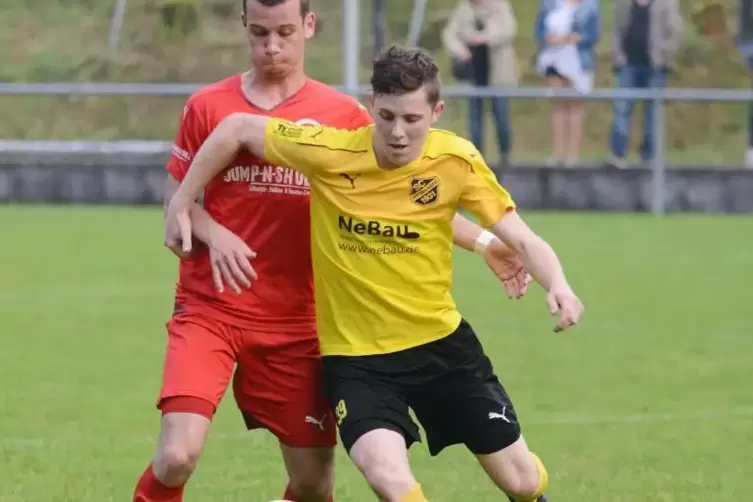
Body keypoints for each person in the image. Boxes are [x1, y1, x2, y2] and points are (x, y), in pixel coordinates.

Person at [135, 2, 532, 502]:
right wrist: (214, 233)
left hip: (301, 322)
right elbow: (178, 208)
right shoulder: (207, 106)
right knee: (177, 456)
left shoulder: (345, 118)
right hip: (212, 307)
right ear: (243, 28)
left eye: (283, 32)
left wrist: (487, 242)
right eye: (259, 33)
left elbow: (405, 206)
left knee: (313, 485)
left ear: (309, 26)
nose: (272, 46)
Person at [442, 0, 519, 169]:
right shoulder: (464, 8)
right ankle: (476, 156)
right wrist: (459, 49)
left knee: (500, 114)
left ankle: (505, 156)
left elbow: (509, 29)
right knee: (474, 118)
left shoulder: (500, 6)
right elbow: (450, 34)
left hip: (496, 71)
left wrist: (486, 37)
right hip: (474, 72)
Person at [607, 0, 683, 169]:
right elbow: (616, 31)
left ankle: (649, 156)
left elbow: (675, 31)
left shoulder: (667, 3)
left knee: (653, 112)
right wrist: (618, 57)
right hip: (628, 65)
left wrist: (664, 55)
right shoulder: (624, 4)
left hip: (655, 66)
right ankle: (618, 154)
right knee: (622, 107)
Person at [535, 0, 600, 167]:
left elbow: (594, 34)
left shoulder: (590, 6)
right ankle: (558, 153)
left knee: (575, 107)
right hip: (554, 59)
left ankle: (573, 155)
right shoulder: (549, 4)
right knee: (558, 105)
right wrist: (548, 38)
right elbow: (539, 30)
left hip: (577, 60)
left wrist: (574, 38)